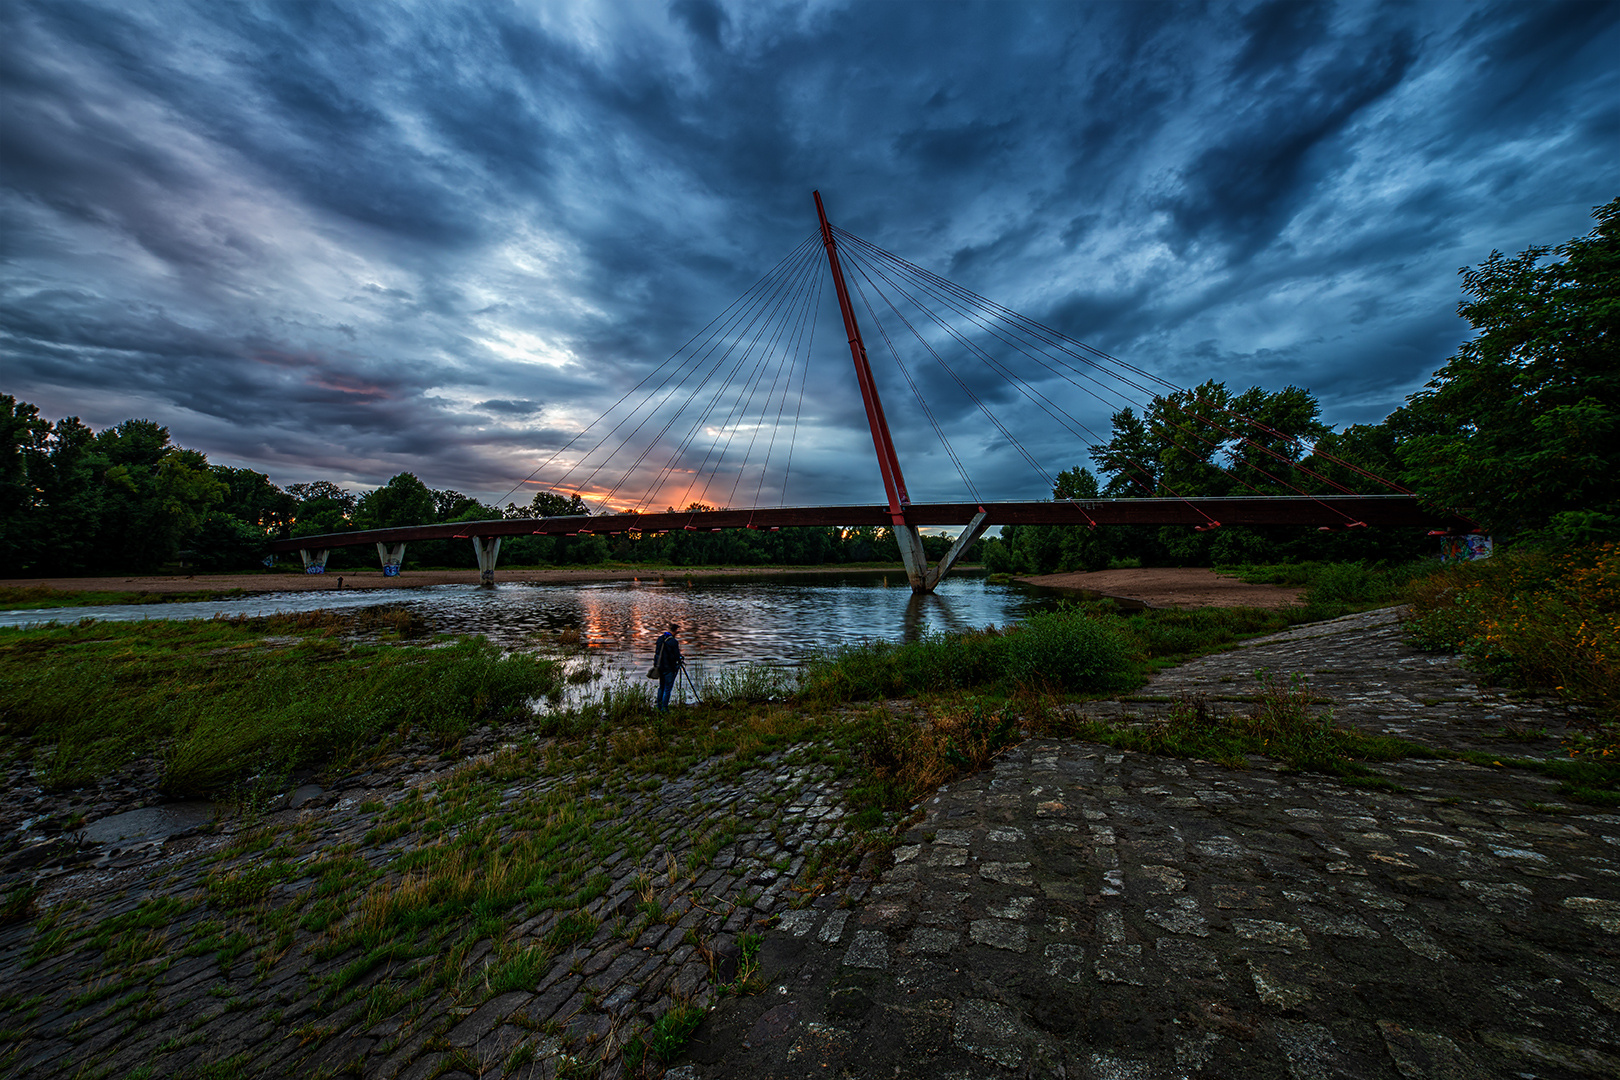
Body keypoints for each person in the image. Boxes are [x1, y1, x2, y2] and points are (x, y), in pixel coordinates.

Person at [652, 622, 684, 711]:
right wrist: (680, 659)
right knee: (667, 689)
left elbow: (657, 653)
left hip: (660, 667)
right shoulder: (673, 642)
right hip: (669, 668)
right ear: (675, 631)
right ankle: (665, 708)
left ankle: (659, 706)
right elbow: (676, 656)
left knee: (661, 687)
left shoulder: (660, 639)